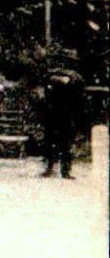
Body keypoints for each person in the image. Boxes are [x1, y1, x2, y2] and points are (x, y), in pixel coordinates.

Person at [40, 48, 85, 179]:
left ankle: (51, 169)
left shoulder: (51, 75)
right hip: (64, 114)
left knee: (53, 141)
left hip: (56, 113)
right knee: (63, 142)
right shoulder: (76, 78)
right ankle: (62, 170)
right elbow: (80, 98)